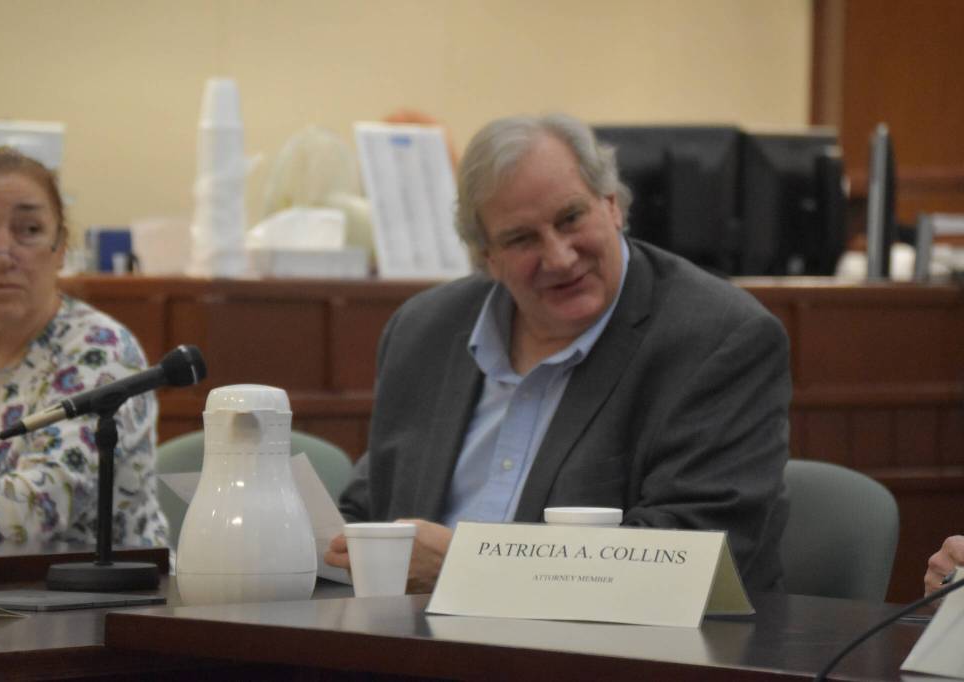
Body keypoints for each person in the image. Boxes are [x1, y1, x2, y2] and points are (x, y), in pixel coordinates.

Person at [325, 113, 791, 593]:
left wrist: (465, 569)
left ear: (612, 205)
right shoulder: (424, 331)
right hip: (415, 646)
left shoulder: (720, 340)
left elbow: (694, 561)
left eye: (571, 218)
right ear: (487, 255)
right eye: (522, 239)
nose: (560, 257)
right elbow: (371, 505)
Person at [0, 146, 167, 546]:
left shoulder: (101, 351)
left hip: (105, 601)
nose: (3, 254)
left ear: (60, 248)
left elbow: (34, 509)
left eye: (28, 230)